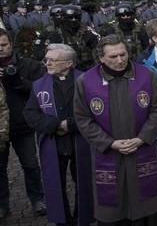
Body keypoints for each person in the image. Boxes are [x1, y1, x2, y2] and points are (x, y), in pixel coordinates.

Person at [74, 34, 157, 225]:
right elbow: (83, 119)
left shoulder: (146, 76)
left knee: (147, 202)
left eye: (123, 54)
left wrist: (142, 138)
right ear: (101, 58)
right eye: (113, 56)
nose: (120, 60)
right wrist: (109, 143)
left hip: (142, 149)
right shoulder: (86, 82)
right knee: (112, 205)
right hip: (108, 154)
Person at [24, 44, 94, 226]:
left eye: (53, 60)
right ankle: (63, 222)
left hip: (81, 142)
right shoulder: (39, 85)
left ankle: (82, 219)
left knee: (84, 184)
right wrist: (56, 125)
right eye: (46, 59)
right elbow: (30, 114)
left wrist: (69, 124)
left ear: (69, 63)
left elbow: (96, 112)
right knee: (56, 186)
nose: (47, 63)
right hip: (54, 144)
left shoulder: (87, 81)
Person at [0, 28, 46, 220]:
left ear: (11, 44)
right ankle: (2, 206)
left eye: (3, 45)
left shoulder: (28, 65)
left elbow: (42, 90)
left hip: (23, 126)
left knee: (30, 165)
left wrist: (18, 82)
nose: (0, 49)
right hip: (0, 130)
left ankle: (38, 199)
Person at [34, 5, 99, 71]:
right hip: (62, 71)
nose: (73, 20)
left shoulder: (88, 34)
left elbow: (97, 54)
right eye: (70, 18)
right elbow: (45, 56)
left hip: (85, 71)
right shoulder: (55, 35)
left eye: (76, 17)